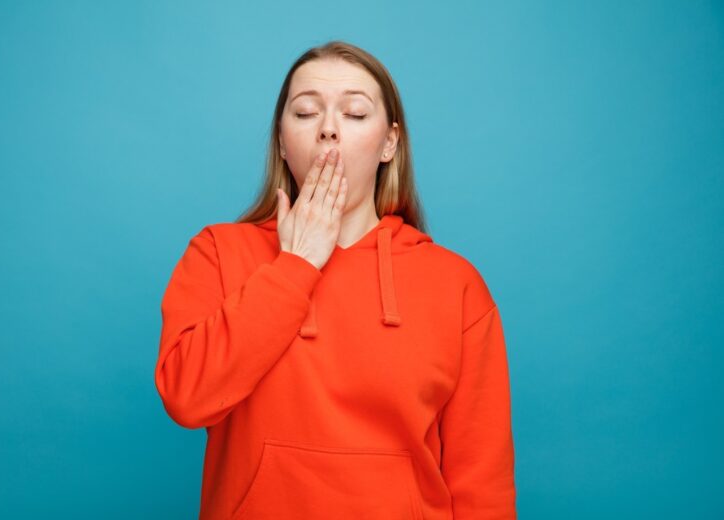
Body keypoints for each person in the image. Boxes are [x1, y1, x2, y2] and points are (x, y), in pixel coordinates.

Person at [155, 40, 517, 520]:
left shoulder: (456, 284)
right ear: (282, 142)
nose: (328, 129)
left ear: (390, 143)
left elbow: (482, 486)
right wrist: (297, 266)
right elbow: (186, 397)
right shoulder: (220, 252)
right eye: (305, 113)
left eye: (354, 113)